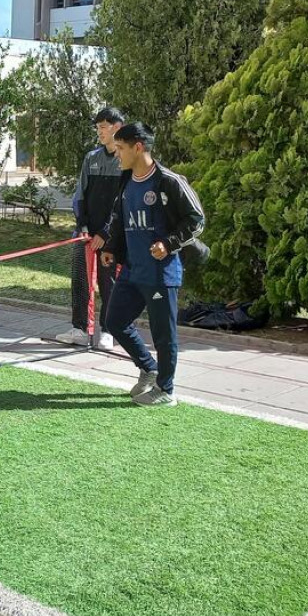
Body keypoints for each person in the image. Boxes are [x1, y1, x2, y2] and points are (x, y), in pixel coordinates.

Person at [96, 122, 204, 406]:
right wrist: (111, 248)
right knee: (114, 321)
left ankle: (165, 390)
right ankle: (148, 368)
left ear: (138, 147)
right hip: (132, 270)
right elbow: (120, 221)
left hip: (161, 273)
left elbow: (197, 220)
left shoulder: (169, 181)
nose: (117, 154)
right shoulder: (126, 181)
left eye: (120, 148)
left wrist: (168, 244)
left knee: (163, 335)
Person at [57, 107, 124, 349]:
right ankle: (80, 329)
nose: (100, 133)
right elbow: (80, 196)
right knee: (80, 281)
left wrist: (105, 233)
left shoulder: (125, 160)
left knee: (110, 283)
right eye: (97, 128)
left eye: (103, 128)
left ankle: (108, 331)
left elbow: (122, 204)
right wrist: (83, 226)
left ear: (117, 127)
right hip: (85, 235)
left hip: (111, 238)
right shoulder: (91, 158)